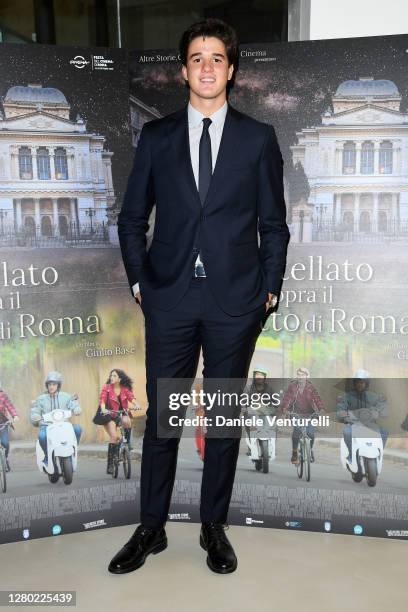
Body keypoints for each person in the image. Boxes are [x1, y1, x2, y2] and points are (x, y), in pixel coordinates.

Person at [112, 18, 289, 575]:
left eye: (217, 57)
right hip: (169, 299)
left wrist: (269, 290)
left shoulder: (258, 138)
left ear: (231, 70)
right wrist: (142, 283)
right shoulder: (158, 137)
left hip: (236, 303)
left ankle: (214, 526)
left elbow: (274, 226)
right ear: (184, 69)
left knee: (223, 420)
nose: (207, 66)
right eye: (197, 57)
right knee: (165, 417)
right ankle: (151, 527)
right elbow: (133, 218)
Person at [336, 369, 388, 463]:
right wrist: (342, 413)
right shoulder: (347, 396)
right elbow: (340, 408)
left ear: (366, 383)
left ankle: (379, 454)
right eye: (358, 382)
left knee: (384, 432)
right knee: (347, 432)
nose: (360, 384)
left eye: (362, 382)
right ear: (354, 383)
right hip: (353, 424)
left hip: (370, 424)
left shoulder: (373, 396)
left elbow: (382, 406)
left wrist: (378, 412)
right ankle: (351, 455)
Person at [95, 369, 141, 474]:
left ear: (119, 378)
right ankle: (111, 464)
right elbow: (102, 399)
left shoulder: (124, 389)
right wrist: (103, 408)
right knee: (114, 437)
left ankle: (127, 443)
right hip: (109, 414)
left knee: (127, 421)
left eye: (114, 376)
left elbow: (131, 397)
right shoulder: (106, 388)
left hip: (121, 412)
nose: (112, 377)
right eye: (111, 375)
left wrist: (136, 405)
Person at [30, 371, 82, 465]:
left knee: (77, 429)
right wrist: (35, 416)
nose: (51, 386)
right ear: (47, 385)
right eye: (49, 384)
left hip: (64, 425)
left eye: (54, 384)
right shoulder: (41, 399)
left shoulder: (66, 396)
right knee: (42, 436)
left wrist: (77, 409)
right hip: (47, 426)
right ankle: (46, 455)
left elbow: (73, 404)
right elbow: (35, 411)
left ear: (58, 385)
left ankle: (73, 449)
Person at [281, 367, 324, 464]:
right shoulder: (292, 386)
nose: (301, 377)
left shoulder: (311, 387)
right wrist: (285, 409)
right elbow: (287, 398)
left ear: (307, 376)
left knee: (311, 433)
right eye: (299, 375)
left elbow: (317, 398)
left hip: (310, 414)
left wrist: (321, 409)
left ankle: (310, 450)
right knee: (297, 430)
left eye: (303, 375)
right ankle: (295, 452)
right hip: (295, 413)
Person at [0, 381, 19, 472]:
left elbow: (9, 406)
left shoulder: (3, 395)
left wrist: (15, 416)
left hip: (2, 423)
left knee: (5, 443)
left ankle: (5, 458)